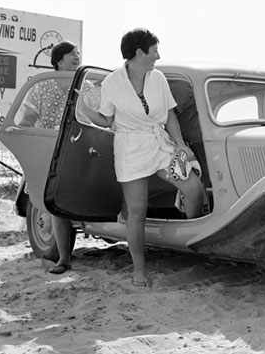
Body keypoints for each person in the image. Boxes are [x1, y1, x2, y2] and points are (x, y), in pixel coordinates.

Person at [79, 28, 205, 287]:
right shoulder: (113, 82)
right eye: (155, 50)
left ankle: (189, 244)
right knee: (136, 210)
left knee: (193, 188)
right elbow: (107, 120)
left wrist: (180, 145)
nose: (158, 56)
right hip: (130, 149)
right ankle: (139, 270)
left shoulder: (157, 78)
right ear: (139, 52)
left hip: (160, 145)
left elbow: (170, 115)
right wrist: (83, 109)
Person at [17, 41, 85, 274]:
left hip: (79, 150)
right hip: (50, 152)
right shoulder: (42, 87)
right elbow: (26, 120)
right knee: (57, 205)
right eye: (72, 54)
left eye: (78, 53)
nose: (77, 57)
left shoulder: (84, 86)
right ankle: (63, 258)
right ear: (58, 60)